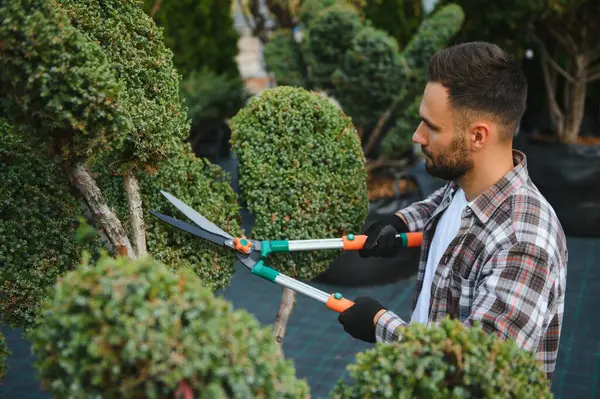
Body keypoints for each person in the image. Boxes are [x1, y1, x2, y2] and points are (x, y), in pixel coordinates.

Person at [337, 41, 568, 382]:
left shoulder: (524, 242)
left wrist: (379, 325)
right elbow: (442, 203)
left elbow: (477, 372)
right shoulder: (467, 185)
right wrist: (398, 221)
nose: (418, 136)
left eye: (432, 126)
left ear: (477, 136)